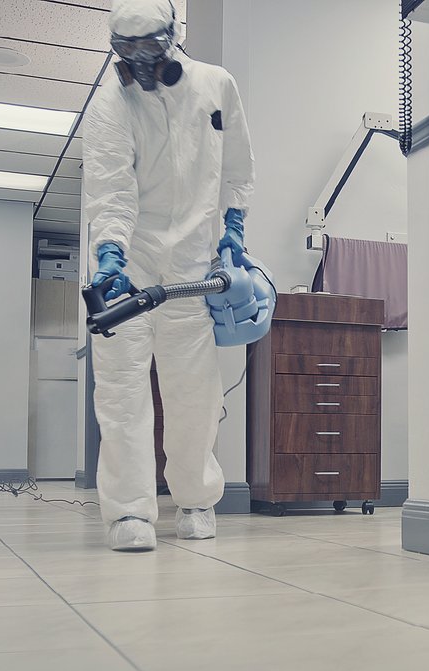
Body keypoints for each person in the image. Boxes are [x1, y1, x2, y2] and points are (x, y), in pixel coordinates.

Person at [83, 0, 254, 551]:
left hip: (192, 270)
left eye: (149, 48)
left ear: (173, 39)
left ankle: (196, 501)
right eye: (125, 51)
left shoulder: (215, 85)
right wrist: (110, 253)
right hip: (128, 270)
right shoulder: (110, 101)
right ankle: (130, 513)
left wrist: (233, 227)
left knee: (194, 395)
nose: (139, 62)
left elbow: (237, 169)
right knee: (122, 393)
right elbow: (111, 187)